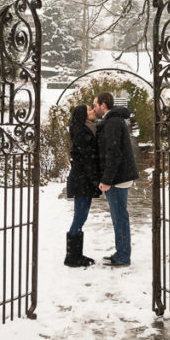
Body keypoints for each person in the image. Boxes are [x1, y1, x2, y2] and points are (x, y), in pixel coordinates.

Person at [93, 91, 138, 267]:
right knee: (119, 216)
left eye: (95, 105)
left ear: (104, 105)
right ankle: (121, 252)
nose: (94, 108)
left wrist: (107, 180)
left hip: (118, 178)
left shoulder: (112, 123)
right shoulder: (114, 120)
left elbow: (113, 153)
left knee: (120, 217)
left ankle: (123, 256)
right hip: (120, 176)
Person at [64, 104, 99, 267]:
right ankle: (72, 257)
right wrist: (95, 180)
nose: (93, 111)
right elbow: (88, 160)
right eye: (89, 110)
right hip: (81, 181)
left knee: (81, 216)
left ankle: (76, 254)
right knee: (80, 216)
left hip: (83, 180)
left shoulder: (87, 129)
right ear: (83, 115)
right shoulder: (82, 133)